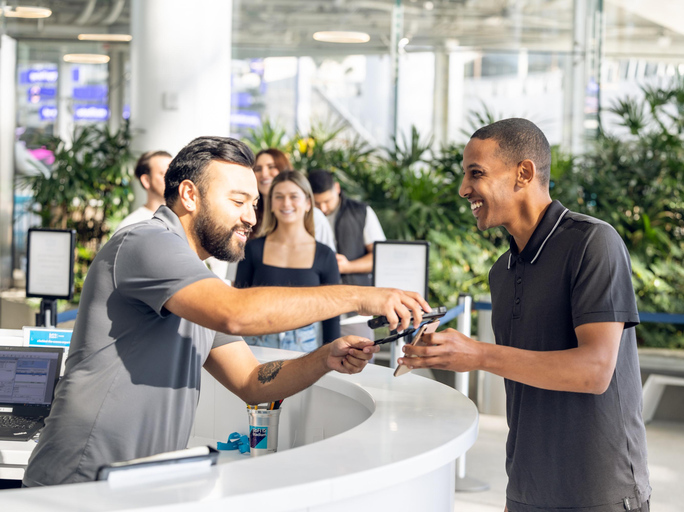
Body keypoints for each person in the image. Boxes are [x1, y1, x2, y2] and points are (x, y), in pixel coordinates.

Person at [23, 136, 429, 487]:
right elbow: (236, 313)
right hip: (81, 481)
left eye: (255, 204)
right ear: (188, 195)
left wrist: (326, 357)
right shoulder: (146, 241)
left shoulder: (195, 278)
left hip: (142, 481)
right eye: (238, 201)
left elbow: (253, 382)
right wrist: (358, 296)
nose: (251, 218)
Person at [398, 119, 651, 512]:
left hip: (600, 493)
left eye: (475, 173)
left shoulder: (594, 243)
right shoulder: (502, 271)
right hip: (526, 492)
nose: (464, 189)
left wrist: (478, 355)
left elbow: (595, 370)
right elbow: (525, 372)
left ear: (524, 173)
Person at [235, 170, 340, 351]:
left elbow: (332, 318)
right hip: (255, 348)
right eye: (279, 197)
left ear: (308, 203)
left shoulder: (325, 255)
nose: (286, 203)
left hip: (307, 351)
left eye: (293, 196)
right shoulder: (252, 249)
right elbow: (238, 306)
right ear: (271, 204)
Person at [308, 169, 386, 286]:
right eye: (317, 203)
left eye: (327, 201)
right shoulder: (302, 216)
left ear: (337, 188)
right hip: (317, 292)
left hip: (357, 293)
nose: (323, 208)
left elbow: (381, 257)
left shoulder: (361, 212)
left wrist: (348, 267)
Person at [253, 148, 335, 251]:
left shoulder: (315, 217)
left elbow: (327, 259)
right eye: (258, 169)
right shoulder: (250, 214)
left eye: (271, 167)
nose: (264, 174)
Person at [116, 150, 172, 231]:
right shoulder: (130, 226)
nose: (171, 178)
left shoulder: (184, 219)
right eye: (164, 173)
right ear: (146, 180)